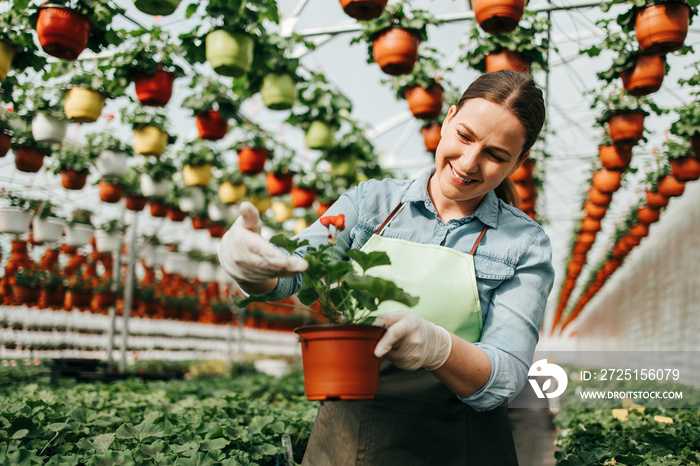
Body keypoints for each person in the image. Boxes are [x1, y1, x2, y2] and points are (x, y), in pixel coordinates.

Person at [218, 70, 555, 465]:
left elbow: (508, 375)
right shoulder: (371, 204)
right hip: (351, 435)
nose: (469, 162)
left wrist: (438, 348)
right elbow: (292, 270)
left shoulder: (524, 243)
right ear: (447, 120)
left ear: (520, 160)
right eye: (464, 137)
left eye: (496, 155)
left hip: (461, 444)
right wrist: (253, 267)